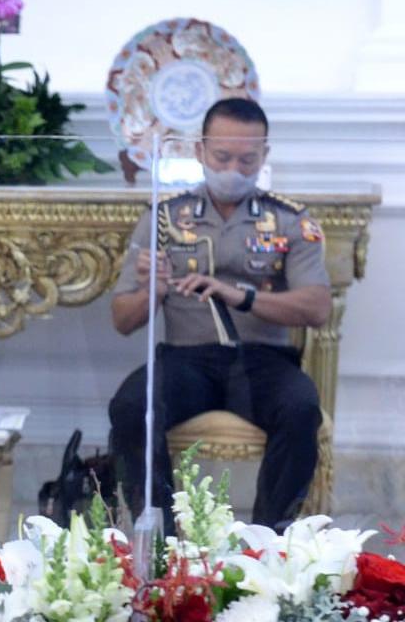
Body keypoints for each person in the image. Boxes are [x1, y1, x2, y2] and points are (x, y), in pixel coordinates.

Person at [108, 98, 332, 530]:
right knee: (132, 406)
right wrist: (152, 291)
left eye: (247, 159)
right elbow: (122, 319)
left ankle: (268, 542)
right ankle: (160, 537)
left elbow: (318, 307)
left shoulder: (288, 220)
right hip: (187, 360)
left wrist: (240, 296)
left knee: (302, 408)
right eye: (222, 156)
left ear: (264, 155)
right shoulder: (163, 217)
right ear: (199, 151)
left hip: (262, 361)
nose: (234, 168)